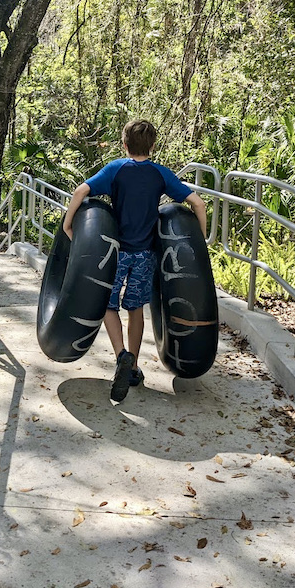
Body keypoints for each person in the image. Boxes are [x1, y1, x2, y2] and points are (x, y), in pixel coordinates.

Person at [62, 119, 207, 404]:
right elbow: (198, 204)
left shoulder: (115, 170)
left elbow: (80, 192)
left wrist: (69, 227)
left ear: (124, 144)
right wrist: (198, 246)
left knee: (107, 304)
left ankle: (121, 356)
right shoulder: (161, 174)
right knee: (136, 308)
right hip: (145, 254)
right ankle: (134, 367)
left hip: (115, 253)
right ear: (153, 146)